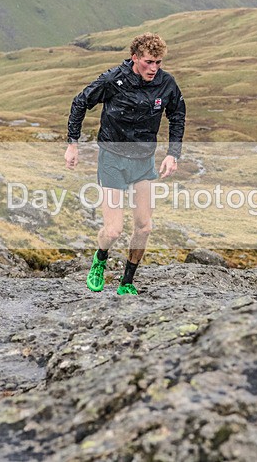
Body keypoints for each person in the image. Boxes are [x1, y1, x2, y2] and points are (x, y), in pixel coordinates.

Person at [65, 32, 186, 295]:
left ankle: (127, 281)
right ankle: (100, 259)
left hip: (143, 161)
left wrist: (172, 154)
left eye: (158, 62)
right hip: (112, 159)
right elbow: (80, 102)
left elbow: (177, 114)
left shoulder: (166, 84)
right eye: (148, 62)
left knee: (144, 226)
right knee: (114, 230)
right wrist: (72, 144)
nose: (154, 68)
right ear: (135, 58)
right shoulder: (113, 80)